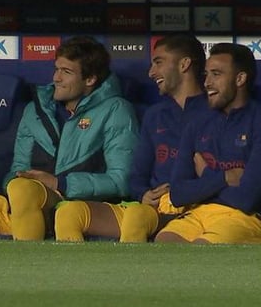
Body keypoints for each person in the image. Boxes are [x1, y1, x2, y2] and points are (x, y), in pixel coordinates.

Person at [0, 36, 139, 240]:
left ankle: (27, 261)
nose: (56, 78)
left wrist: (59, 183)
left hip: (79, 210)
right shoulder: (35, 110)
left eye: (66, 72)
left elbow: (121, 181)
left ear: (90, 79)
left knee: (24, 190)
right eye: (56, 69)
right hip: (24, 208)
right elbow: (18, 169)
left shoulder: (116, 110)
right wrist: (16, 179)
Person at [55, 34, 210, 242]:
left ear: (184, 64)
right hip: (151, 208)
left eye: (158, 62)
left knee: (137, 217)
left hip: (194, 211)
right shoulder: (155, 115)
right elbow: (136, 177)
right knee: (69, 213)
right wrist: (144, 194)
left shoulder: (215, 112)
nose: (151, 72)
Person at [154, 42, 261, 244]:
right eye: (206, 74)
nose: (207, 82)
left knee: (203, 248)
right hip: (199, 213)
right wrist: (224, 177)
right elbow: (178, 194)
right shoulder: (198, 123)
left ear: (240, 79)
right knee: (164, 243)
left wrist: (205, 177)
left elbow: (246, 199)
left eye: (216, 74)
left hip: (247, 218)